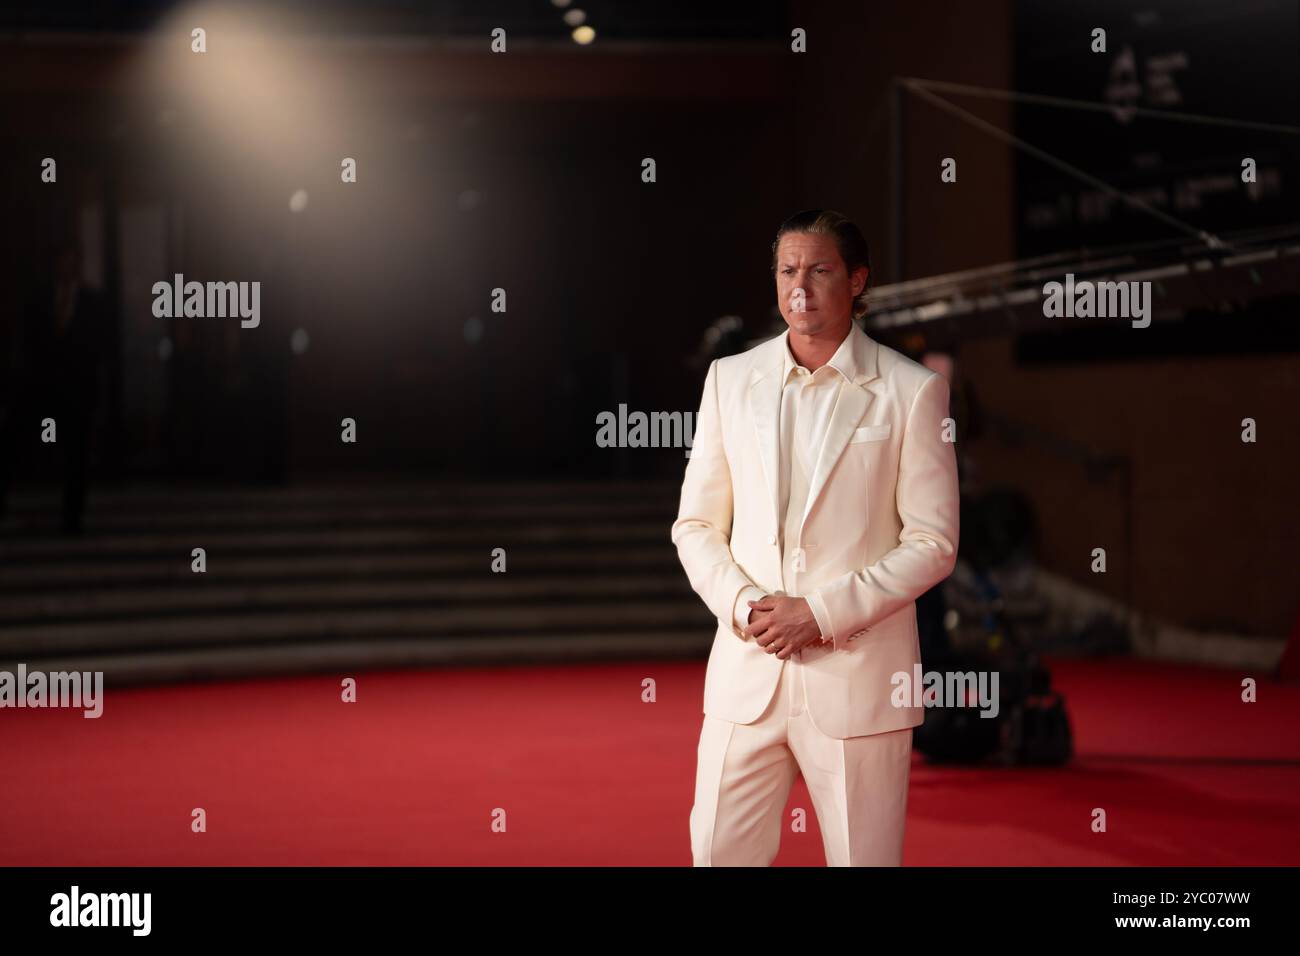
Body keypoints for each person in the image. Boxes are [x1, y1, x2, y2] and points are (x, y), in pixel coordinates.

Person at [672, 209, 960, 865]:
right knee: (716, 856)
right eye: (787, 270)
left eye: (820, 270)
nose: (800, 286)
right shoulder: (729, 381)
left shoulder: (912, 392)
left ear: (857, 279)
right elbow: (695, 526)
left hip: (860, 684)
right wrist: (747, 607)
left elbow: (934, 542)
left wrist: (821, 614)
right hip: (747, 679)